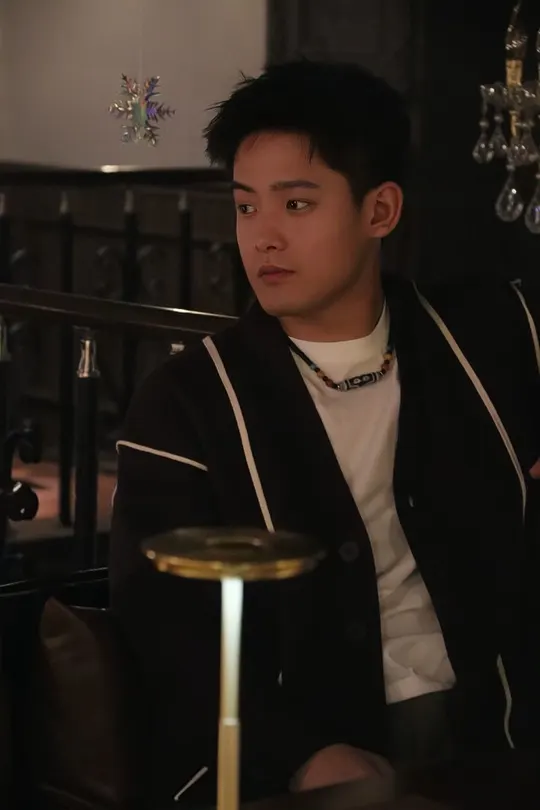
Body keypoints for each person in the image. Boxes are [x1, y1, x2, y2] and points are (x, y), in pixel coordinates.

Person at [109, 59, 540, 807]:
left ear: (380, 211)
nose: (263, 238)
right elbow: (164, 627)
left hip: (501, 719)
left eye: (297, 204)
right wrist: (299, 755)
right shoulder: (188, 403)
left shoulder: (490, 337)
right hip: (313, 749)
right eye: (246, 208)